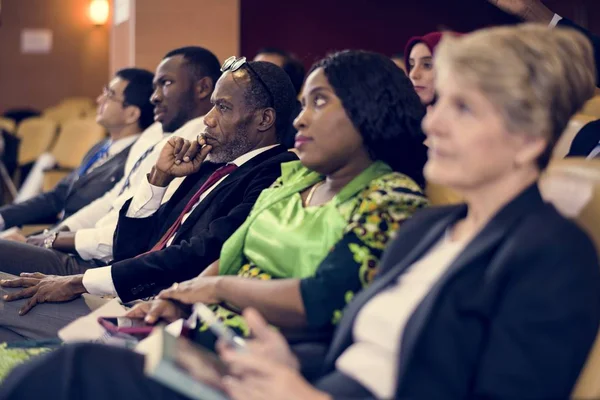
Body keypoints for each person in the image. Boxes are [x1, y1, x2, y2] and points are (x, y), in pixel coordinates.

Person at [0, 49, 431, 400]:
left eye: (318, 103)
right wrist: (160, 181)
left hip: (229, 341)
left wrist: (197, 291)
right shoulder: (281, 178)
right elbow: (207, 252)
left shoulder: (289, 172)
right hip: (170, 311)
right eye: (303, 106)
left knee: (64, 366)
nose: (300, 119)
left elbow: (207, 256)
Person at [0, 58, 300, 342]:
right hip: (121, 288)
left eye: (222, 108)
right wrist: (159, 178)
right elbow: (129, 248)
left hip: (149, 309)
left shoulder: (273, 173)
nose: (207, 120)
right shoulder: (209, 165)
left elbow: (201, 254)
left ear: (264, 119)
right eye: (212, 107)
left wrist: (77, 282)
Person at [0, 46, 220, 274]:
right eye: (154, 86)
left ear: (202, 88)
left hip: (101, 263)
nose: (155, 97)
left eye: (166, 83)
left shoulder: (196, 142)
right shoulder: (154, 133)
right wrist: (51, 235)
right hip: (82, 245)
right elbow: (112, 198)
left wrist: (51, 240)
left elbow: (135, 235)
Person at [0, 68, 154, 230]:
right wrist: (4, 216)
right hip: (55, 235)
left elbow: (101, 218)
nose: (99, 99)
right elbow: (57, 196)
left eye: (109, 95)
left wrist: (38, 240)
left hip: (77, 245)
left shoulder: (135, 159)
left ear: (132, 114)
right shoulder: (100, 147)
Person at [254, 47, 305, 149]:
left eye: (263, 73)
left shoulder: (300, 123)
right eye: (252, 71)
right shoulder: (243, 114)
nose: (252, 78)